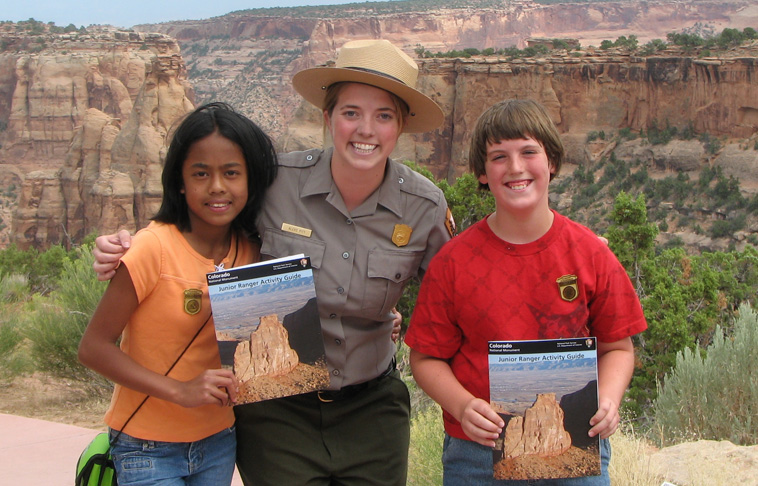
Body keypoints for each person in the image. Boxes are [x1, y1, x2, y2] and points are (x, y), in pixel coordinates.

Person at [91, 39, 455, 485]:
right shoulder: (276, 183)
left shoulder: (425, 207)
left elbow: (456, 296)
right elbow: (203, 219)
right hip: (277, 409)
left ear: (401, 127)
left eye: (384, 116)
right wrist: (126, 244)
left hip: (372, 410)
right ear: (328, 118)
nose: (366, 129)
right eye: (351, 113)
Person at [404, 99, 648, 485]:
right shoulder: (452, 263)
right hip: (477, 454)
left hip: (576, 446)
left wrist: (609, 400)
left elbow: (618, 348)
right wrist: (462, 405)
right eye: (498, 157)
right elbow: (426, 358)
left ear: (551, 161)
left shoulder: (591, 255)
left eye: (528, 152)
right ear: (482, 174)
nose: (515, 168)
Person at [79, 102, 278, 486]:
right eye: (201, 173)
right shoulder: (151, 247)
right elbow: (93, 348)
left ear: (251, 180)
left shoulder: (252, 251)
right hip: (146, 447)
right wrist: (180, 390)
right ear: (181, 181)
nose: (217, 186)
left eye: (232, 173)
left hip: (219, 441)